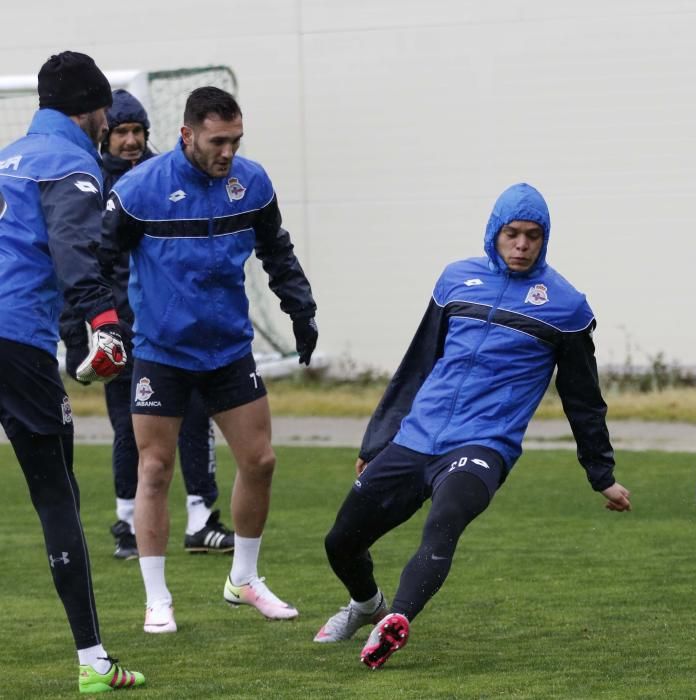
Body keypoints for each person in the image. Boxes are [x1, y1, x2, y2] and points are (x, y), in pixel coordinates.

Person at [314, 182, 632, 670]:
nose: (522, 246)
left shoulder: (566, 307)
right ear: (494, 233)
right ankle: (366, 605)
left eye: (533, 236)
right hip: (415, 438)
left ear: (546, 239)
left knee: (443, 524)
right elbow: (417, 364)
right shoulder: (455, 280)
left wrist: (601, 474)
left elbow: (584, 401)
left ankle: (395, 621)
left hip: (484, 445)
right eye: (512, 234)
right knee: (341, 543)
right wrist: (377, 440)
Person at [101, 86, 318, 634]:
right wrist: (104, 330)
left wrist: (301, 311)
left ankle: (243, 579)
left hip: (227, 349)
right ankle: (157, 598)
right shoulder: (138, 190)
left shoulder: (253, 183)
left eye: (235, 140)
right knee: (155, 468)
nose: (227, 152)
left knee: (261, 461)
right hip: (161, 352)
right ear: (187, 135)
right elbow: (99, 261)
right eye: (217, 140)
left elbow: (277, 251)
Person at [0, 51, 144, 693]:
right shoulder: (71, 161)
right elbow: (75, 248)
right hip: (15, 342)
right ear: (91, 109)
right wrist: (105, 322)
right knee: (57, 496)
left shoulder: (6, 157)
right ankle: (92, 663)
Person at [64, 89, 234, 560]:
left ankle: (202, 520)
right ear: (105, 135)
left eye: (138, 131)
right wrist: (79, 337)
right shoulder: (87, 185)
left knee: (197, 419)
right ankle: (127, 523)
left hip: (172, 329)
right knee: (129, 429)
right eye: (122, 131)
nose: (132, 140)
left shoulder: (168, 179)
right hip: (118, 330)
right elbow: (78, 269)